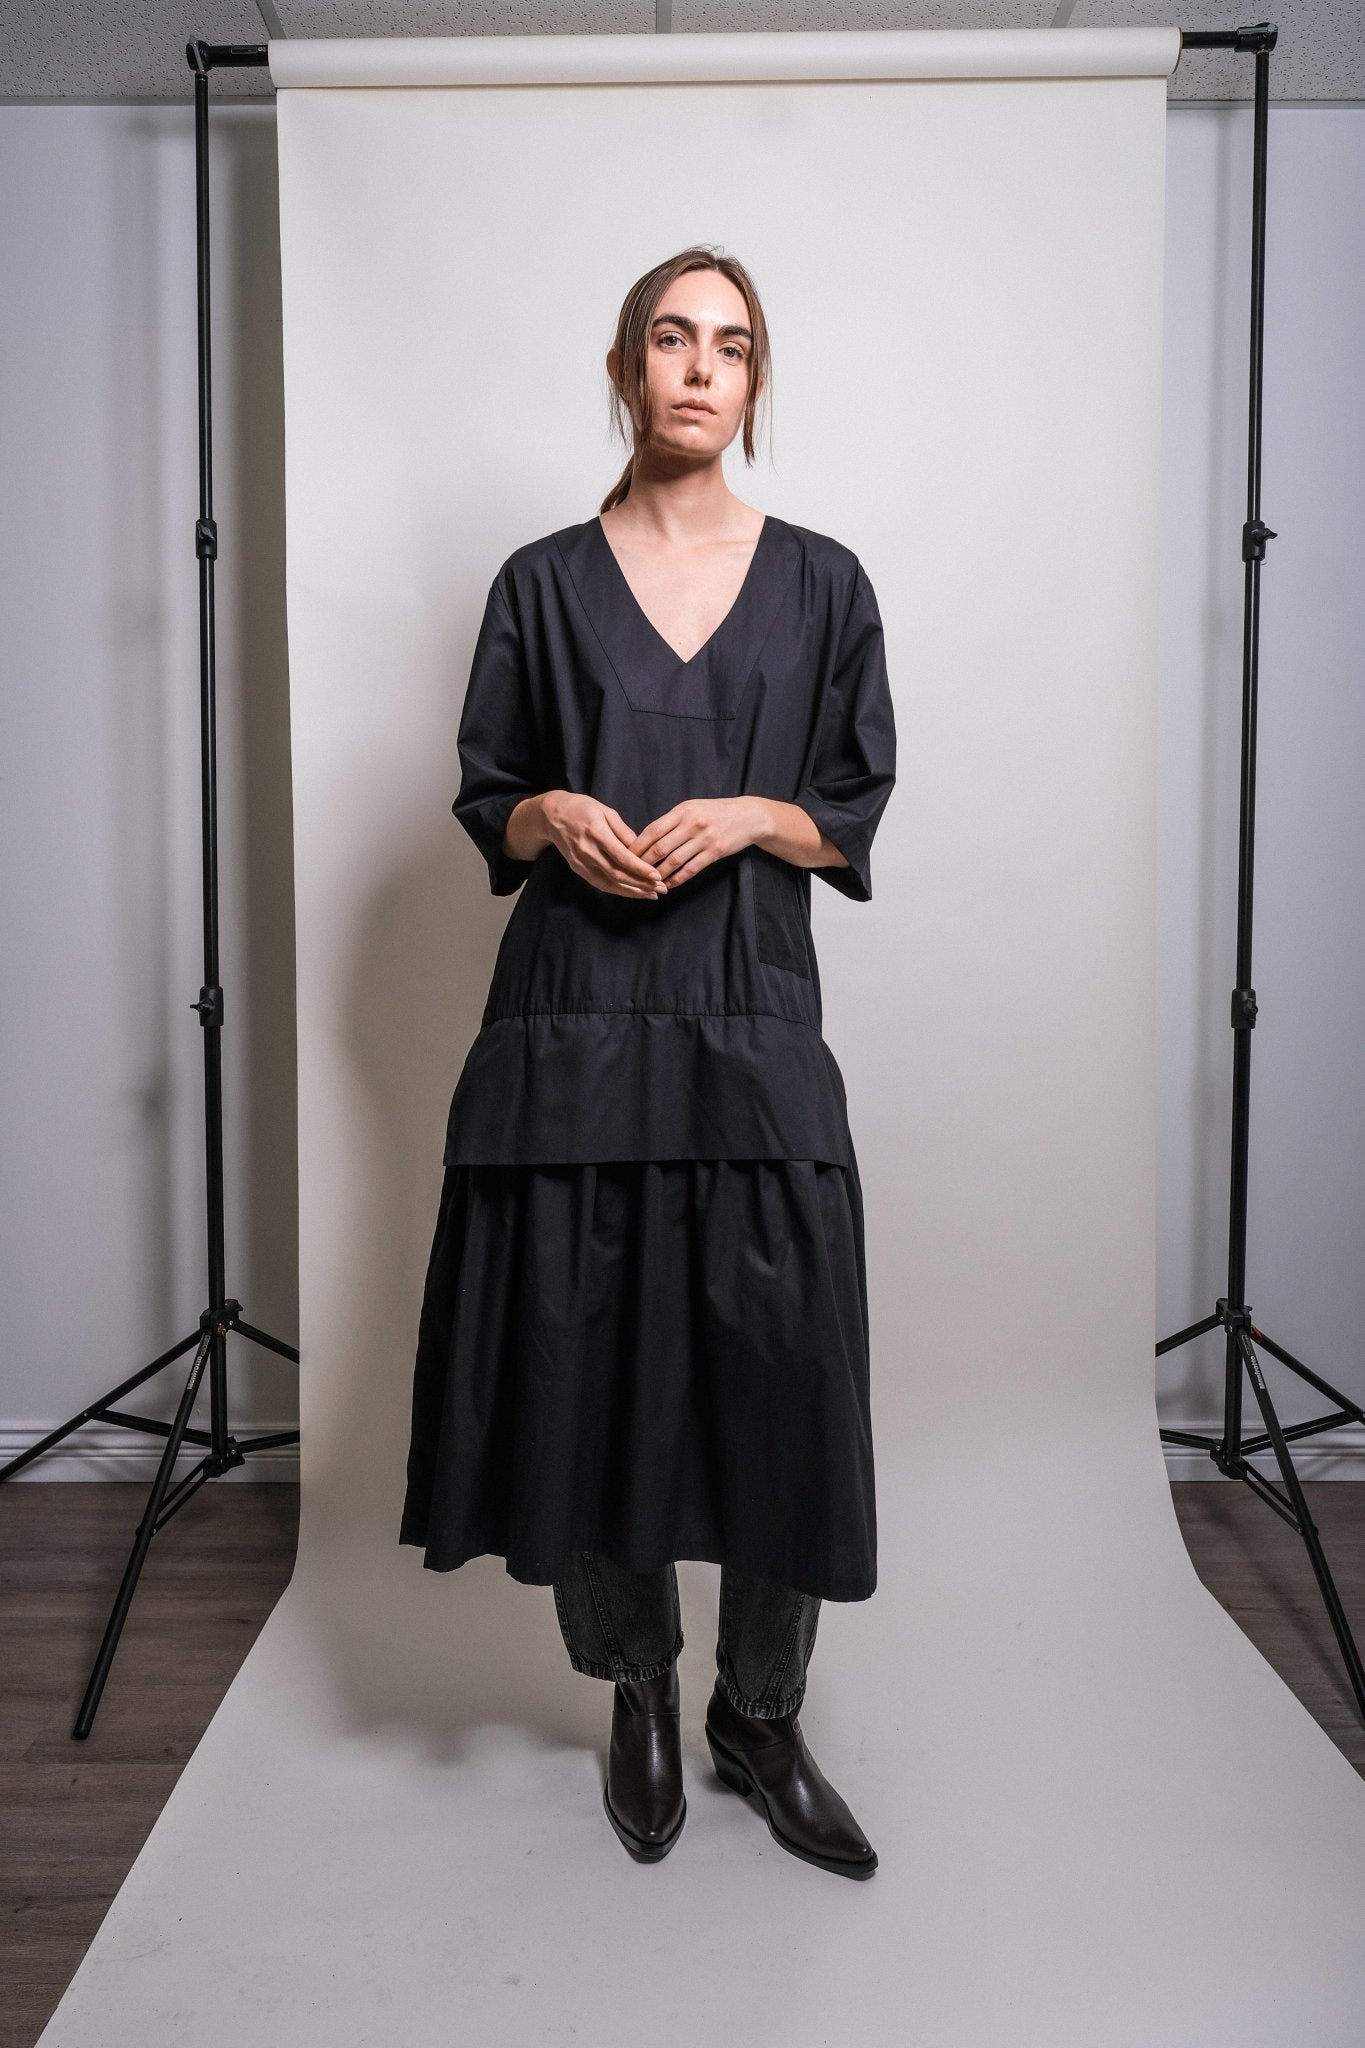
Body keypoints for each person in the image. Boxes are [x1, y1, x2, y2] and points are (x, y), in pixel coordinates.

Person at [400, 245, 897, 1880]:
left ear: (754, 382)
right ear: (624, 370)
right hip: (573, 1016)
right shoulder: (541, 584)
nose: (698, 368)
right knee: (585, 1359)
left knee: (783, 1378)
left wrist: (753, 813)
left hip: (749, 1009)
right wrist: (548, 813)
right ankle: (637, 1693)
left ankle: (761, 1711)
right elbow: (489, 794)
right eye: (670, 339)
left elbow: (850, 805)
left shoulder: (822, 583)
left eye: (729, 346)